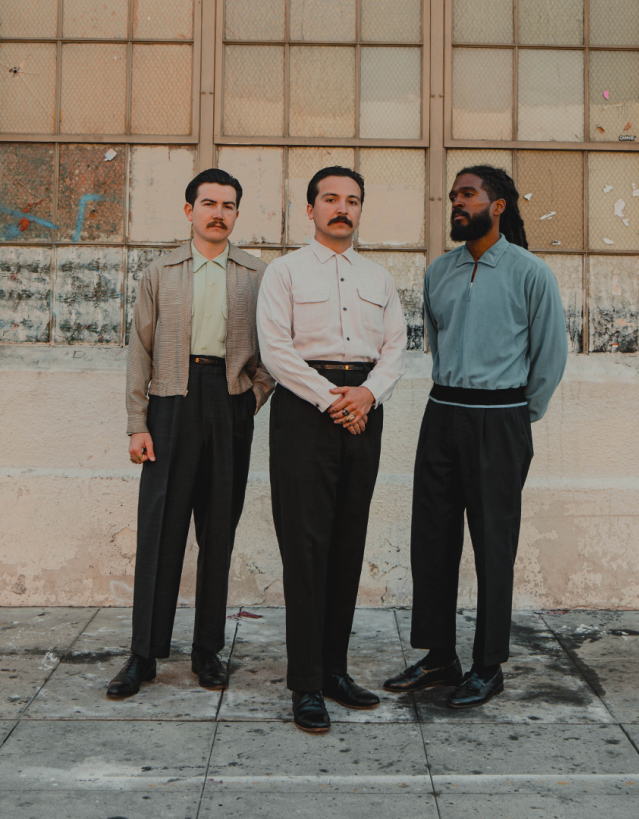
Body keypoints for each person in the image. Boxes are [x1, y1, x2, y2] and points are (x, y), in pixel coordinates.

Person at [383, 165, 567, 708]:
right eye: (454, 196)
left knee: (493, 546)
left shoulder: (532, 273)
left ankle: (489, 665)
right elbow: (439, 345)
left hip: (500, 420)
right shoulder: (439, 271)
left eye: (468, 195)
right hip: (442, 413)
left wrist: (515, 414)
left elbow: (549, 357)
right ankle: (440, 657)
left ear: (499, 205)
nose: (457, 203)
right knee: (432, 541)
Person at [108, 168, 274, 699]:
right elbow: (140, 350)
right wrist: (138, 424)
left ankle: (207, 652)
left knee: (218, 533)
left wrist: (252, 398)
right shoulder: (160, 272)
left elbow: (274, 350)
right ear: (189, 211)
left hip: (229, 402)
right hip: (170, 404)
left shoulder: (257, 274)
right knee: (161, 532)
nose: (218, 213)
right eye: (208, 203)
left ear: (236, 214)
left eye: (228, 205)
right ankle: (143, 655)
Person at [256, 166, 408, 733]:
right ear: (311, 208)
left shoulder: (380, 278)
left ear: (360, 209)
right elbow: (275, 349)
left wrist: (367, 395)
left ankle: (337, 671)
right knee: (306, 547)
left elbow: (396, 347)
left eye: (352, 200)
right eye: (331, 199)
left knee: (347, 542)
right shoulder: (285, 272)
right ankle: (306, 684)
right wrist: (331, 401)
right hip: (305, 411)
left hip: (363, 412)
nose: (342, 208)